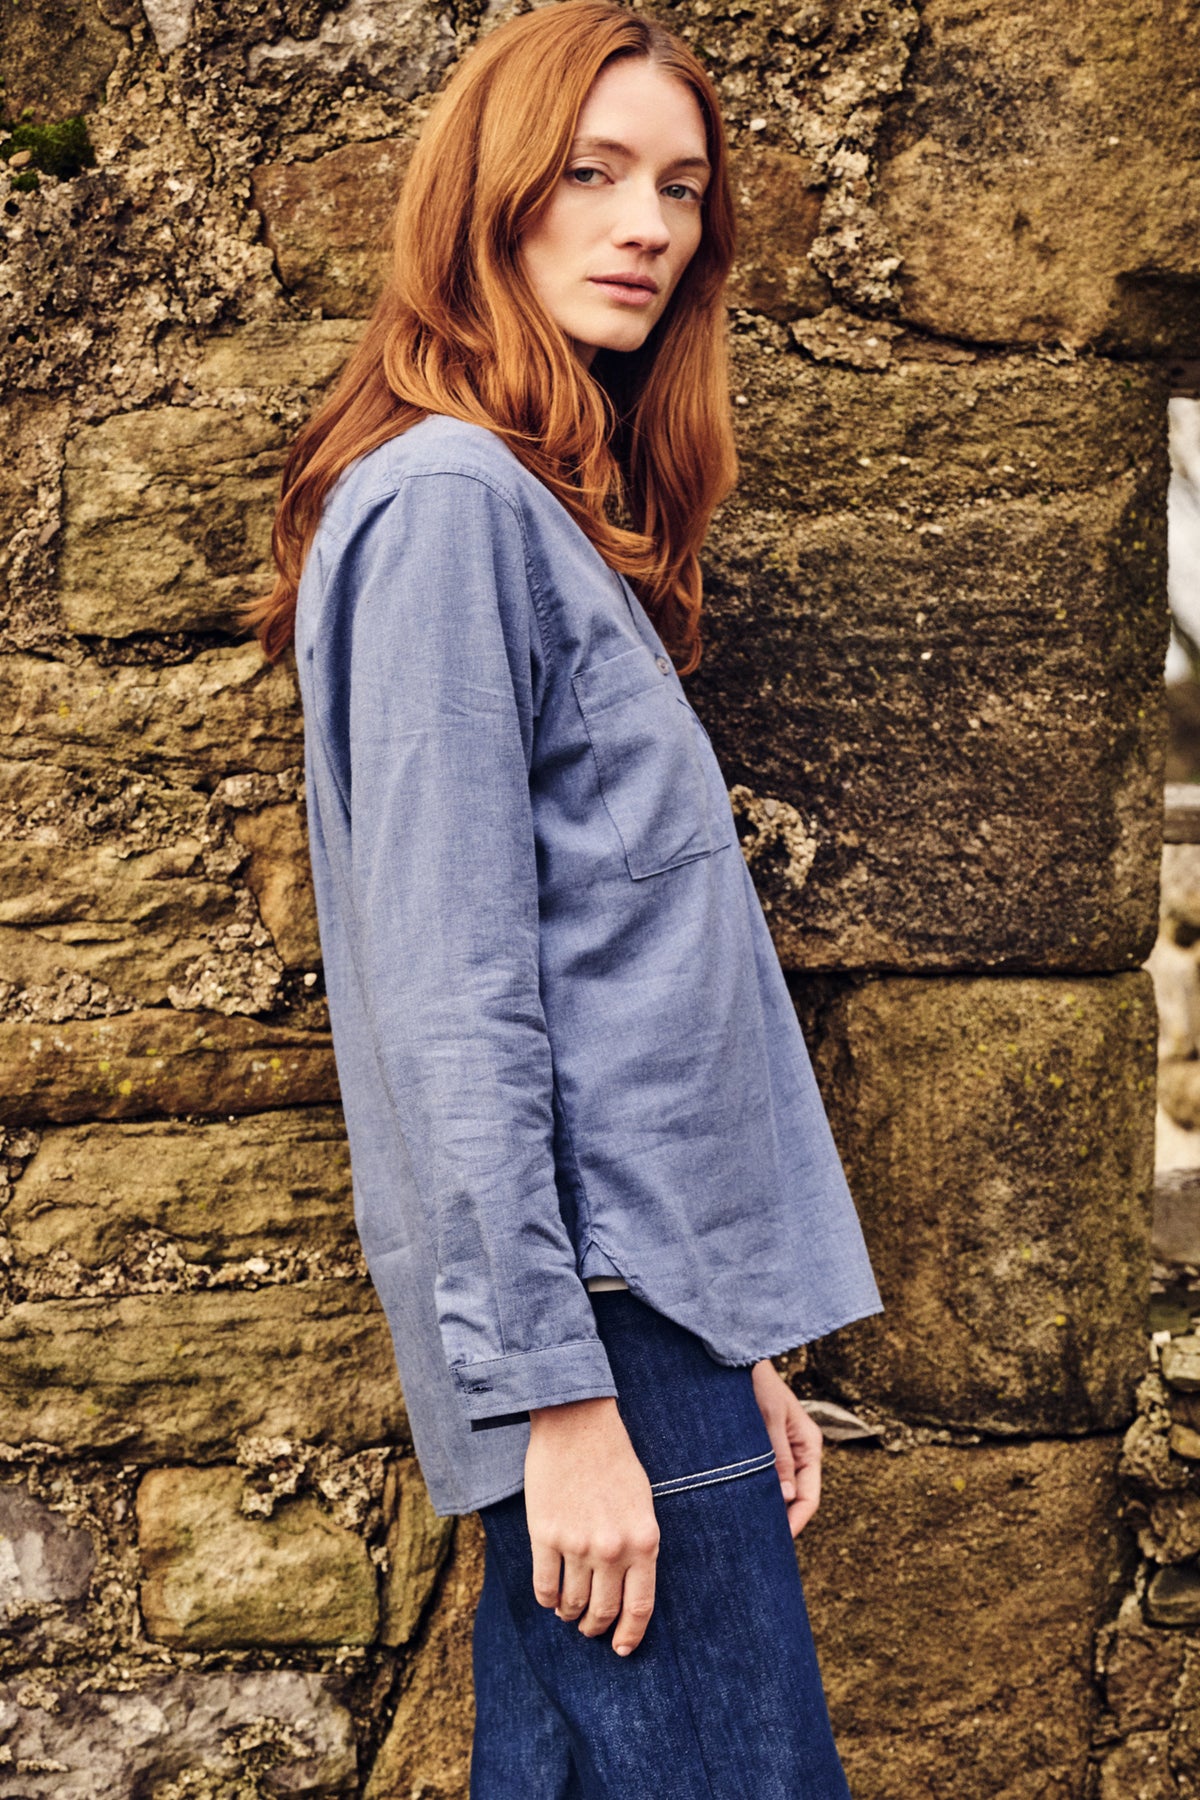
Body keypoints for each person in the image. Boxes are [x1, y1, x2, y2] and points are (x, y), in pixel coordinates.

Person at [244, 2, 883, 1793]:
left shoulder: (523, 504)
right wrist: (565, 1397)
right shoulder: (451, 501)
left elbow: (613, 986)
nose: (647, 225)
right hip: (593, 1351)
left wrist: (721, 1346)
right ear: (487, 196)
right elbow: (453, 1001)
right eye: (592, 173)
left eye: (680, 187)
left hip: (644, 1336)